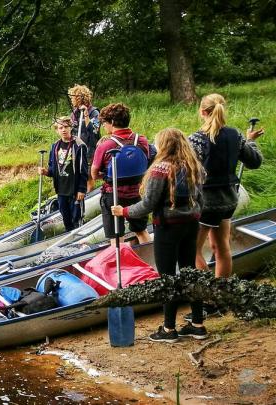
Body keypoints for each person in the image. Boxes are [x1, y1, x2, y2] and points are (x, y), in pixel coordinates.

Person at [112, 128, 207, 342]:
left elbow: (148, 204)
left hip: (168, 227)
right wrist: (194, 215)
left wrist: (123, 211)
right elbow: (201, 200)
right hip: (191, 224)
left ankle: (168, 329)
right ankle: (198, 325)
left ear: (163, 145)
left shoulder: (160, 169)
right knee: (190, 271)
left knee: (167, 277)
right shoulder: (194, 166)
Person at [187, 93, 263, 319]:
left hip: (206, 201)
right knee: (221, 248)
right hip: (229, 199)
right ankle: (220, 299)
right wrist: (249, 140)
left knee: (192, 250)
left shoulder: (196, 139)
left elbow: (189, 172)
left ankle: (209, 299)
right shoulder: (236, 136)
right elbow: (254, 162)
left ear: (202, 111)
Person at [91, 102, 151, 245]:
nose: (104, 126)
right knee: (141, 230)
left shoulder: (106, 145)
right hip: (138, 194)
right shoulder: (142, 140)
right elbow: (145, 163)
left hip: (113, 196)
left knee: (116, 237)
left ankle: (121, 265)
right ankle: (150, 260)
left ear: (112, 122)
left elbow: (94, 173)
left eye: (104, 123)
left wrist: (105, 176)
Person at [37, 116, 88, 231]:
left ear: (71, 127)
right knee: (66, 218)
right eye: (60, 128)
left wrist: (81, 189)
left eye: (66, 127)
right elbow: (52, 169)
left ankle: (79, 240)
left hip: (74, 190)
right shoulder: (55, 146)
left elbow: (83, 169)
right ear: (57, 130)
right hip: (61, 190)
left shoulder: (79, 145)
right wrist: (45, 172)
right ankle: (69, 241)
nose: (63, 130)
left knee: (77, 218)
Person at [69, 84, 101, 192]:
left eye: (73, 98)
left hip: (89, 148)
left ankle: (89, 195)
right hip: (77, 148)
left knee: (88, 176)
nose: (71, 100)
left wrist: (86, 115)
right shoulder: (74, 114)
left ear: (79, 98)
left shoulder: (94, 112)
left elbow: (95, 131)